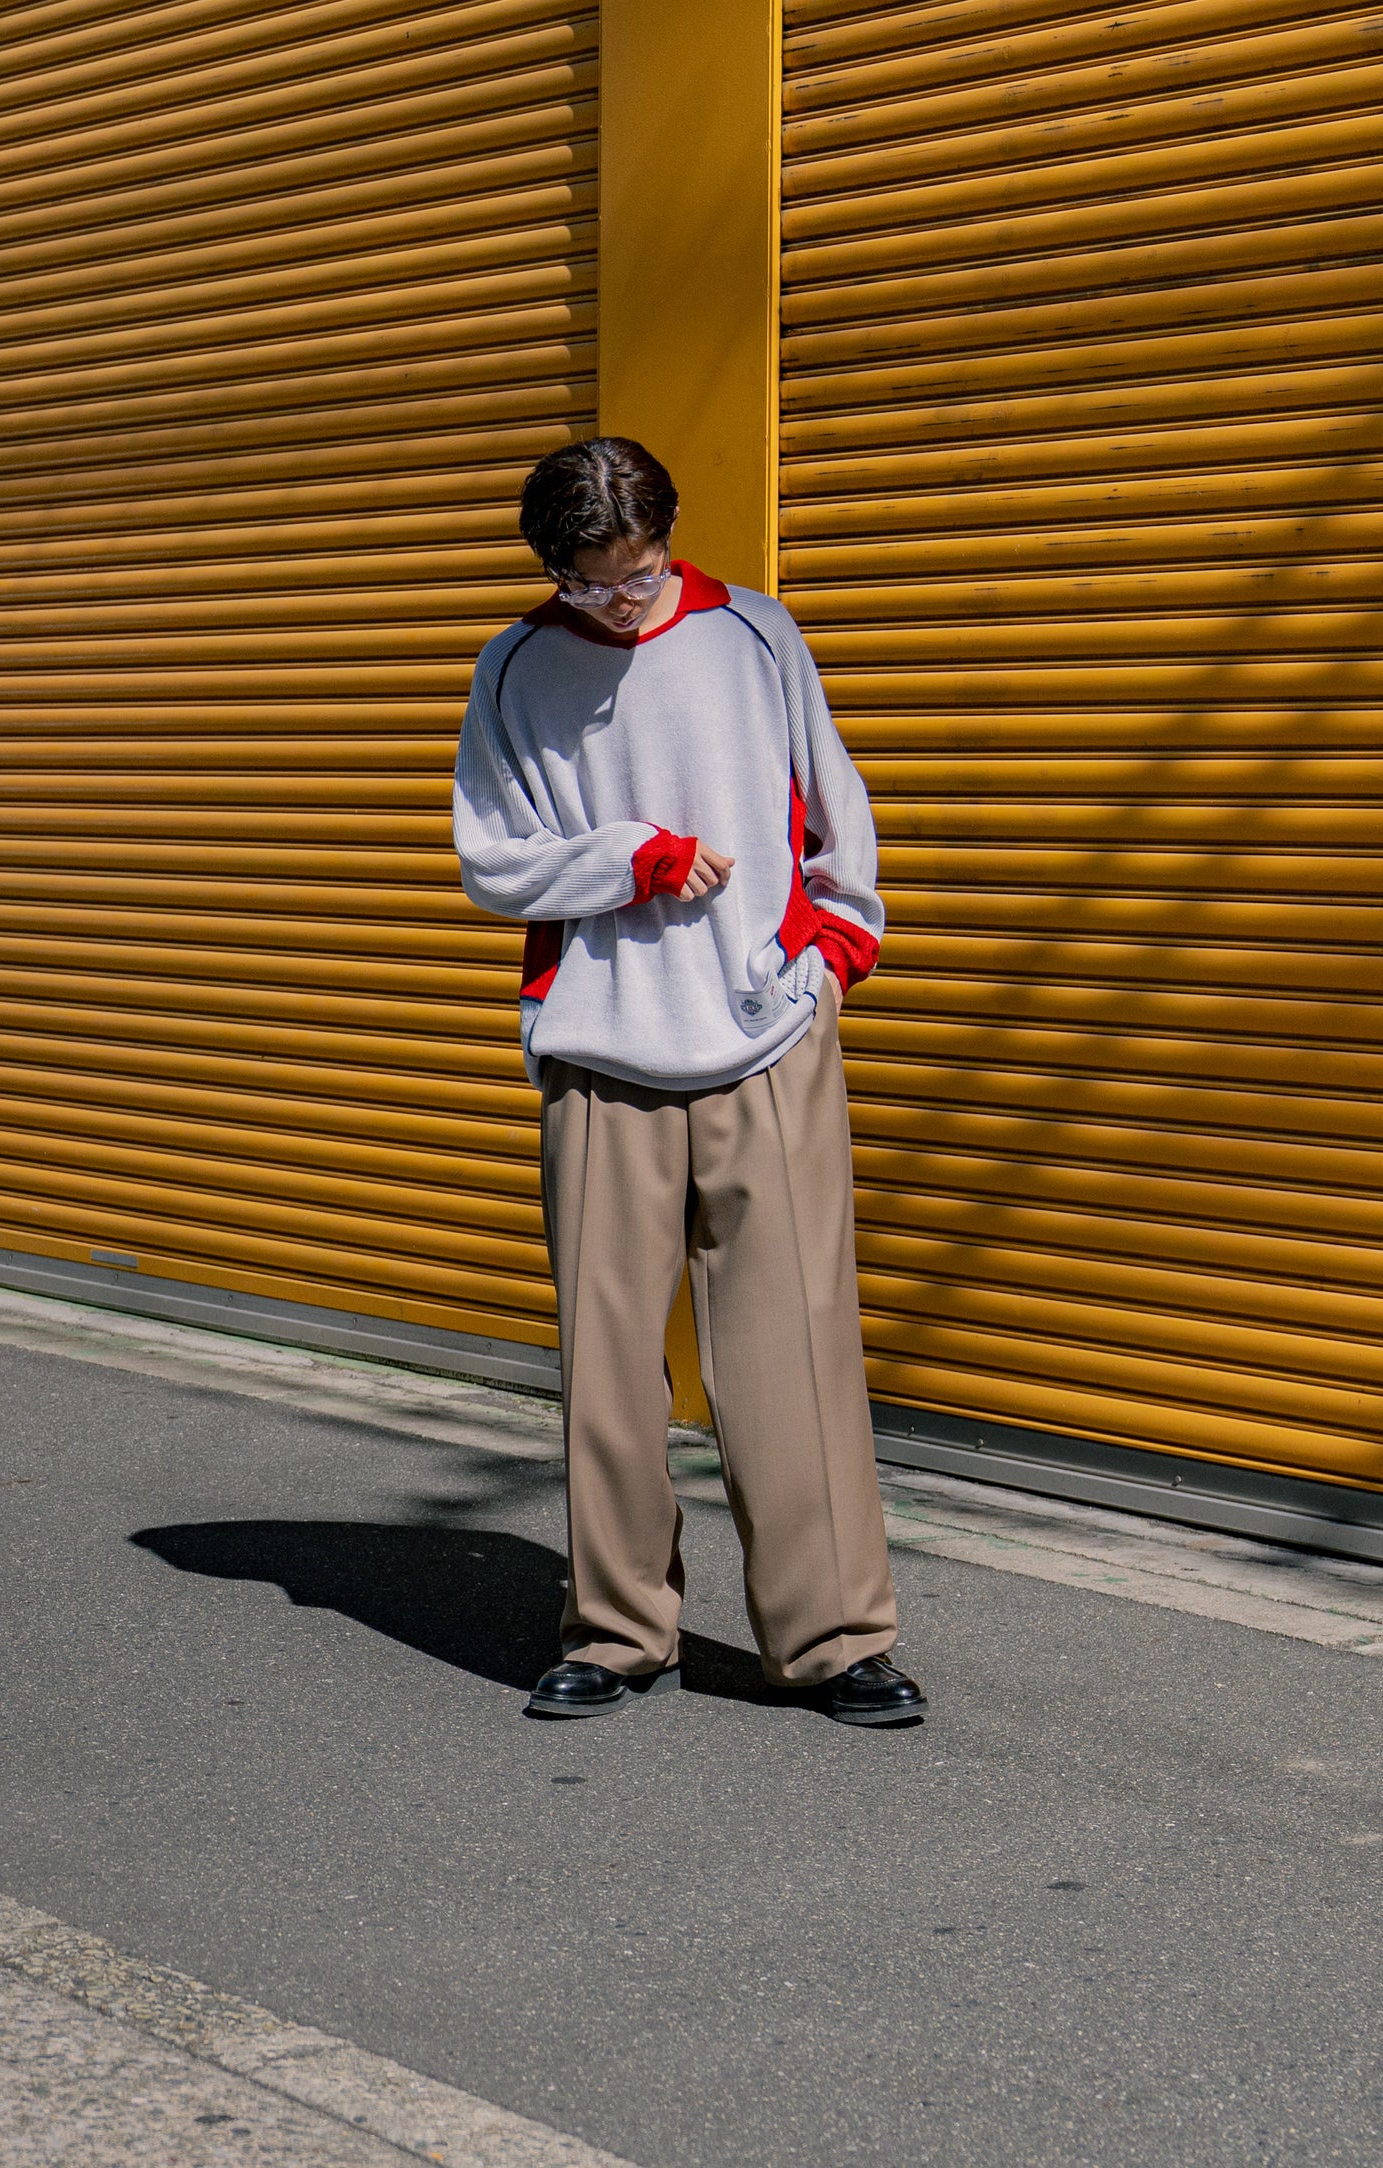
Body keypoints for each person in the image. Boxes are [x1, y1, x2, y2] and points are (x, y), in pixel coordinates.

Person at [452, 436, 926, 1727]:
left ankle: (832, 1641)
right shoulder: (514, 667)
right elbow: (492, 862)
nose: (621, 600)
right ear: (554, 568)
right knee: (607, 1365)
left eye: (639, 571)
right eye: (591, 582)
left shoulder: (756, 638)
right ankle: (613, 1633)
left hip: (765, 1036)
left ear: (666, 538)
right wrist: (632, 861)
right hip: (600, 1049)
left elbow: (840, 822)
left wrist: (828, 960)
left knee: (796, 1354)